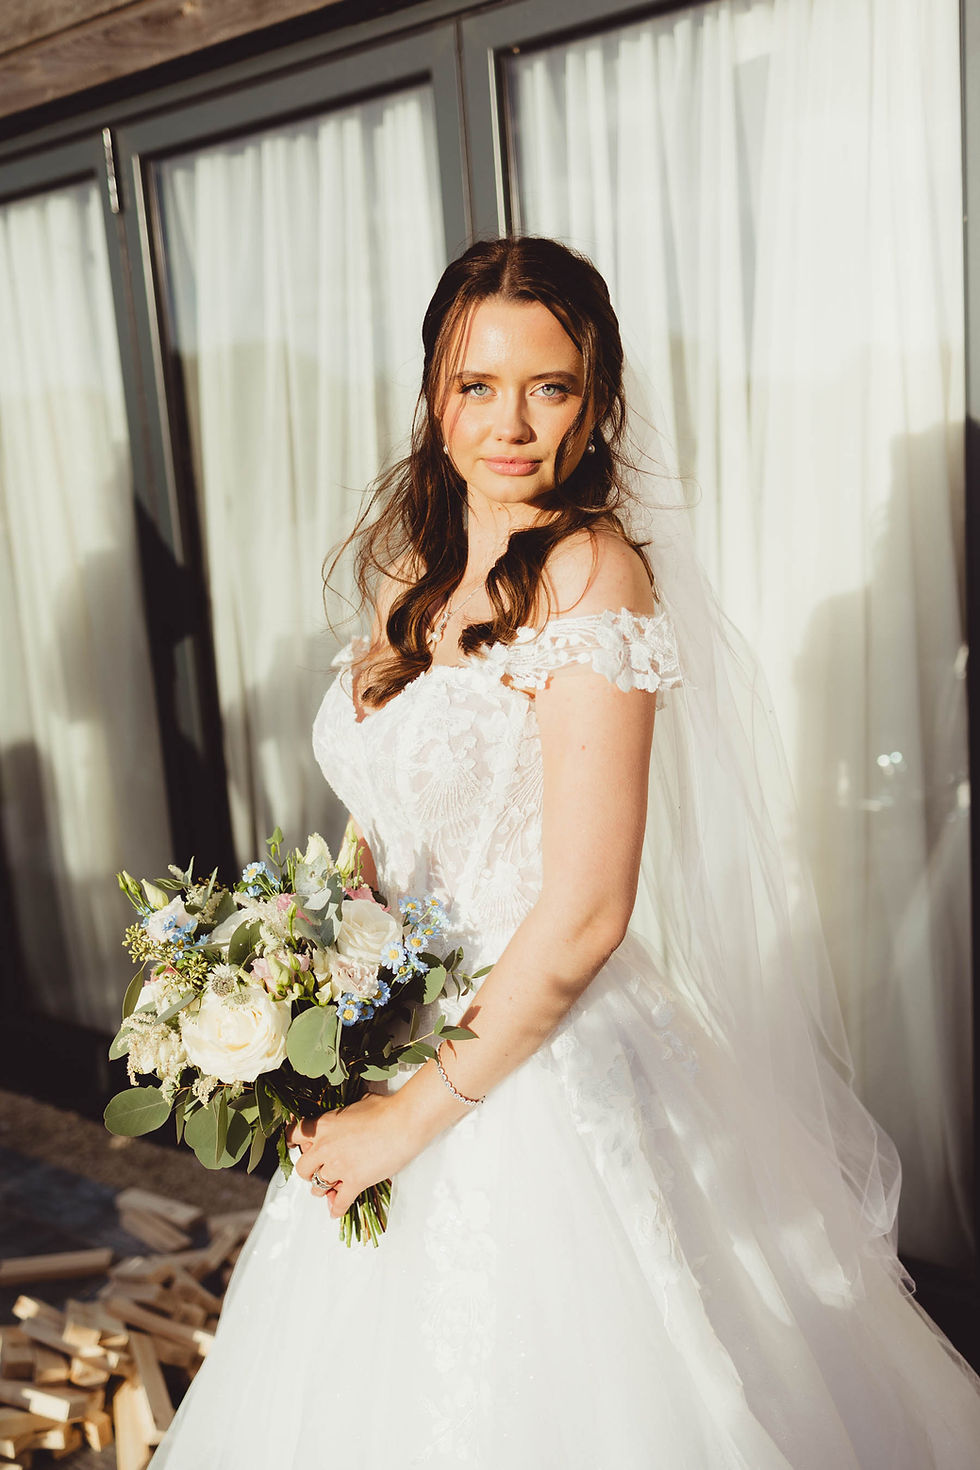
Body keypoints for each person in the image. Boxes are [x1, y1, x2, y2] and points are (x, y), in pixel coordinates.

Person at [150, 236, 980, 1468]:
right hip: (396, 1030)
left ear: (595, 404)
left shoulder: (594, 577)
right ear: (434, 396)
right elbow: (378, 827)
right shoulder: (410, 574)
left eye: (550, 387)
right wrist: (301, 991)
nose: (512, 423)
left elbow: (588, 910)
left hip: (541, 1064)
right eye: (477, 385)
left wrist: (408, 1119)